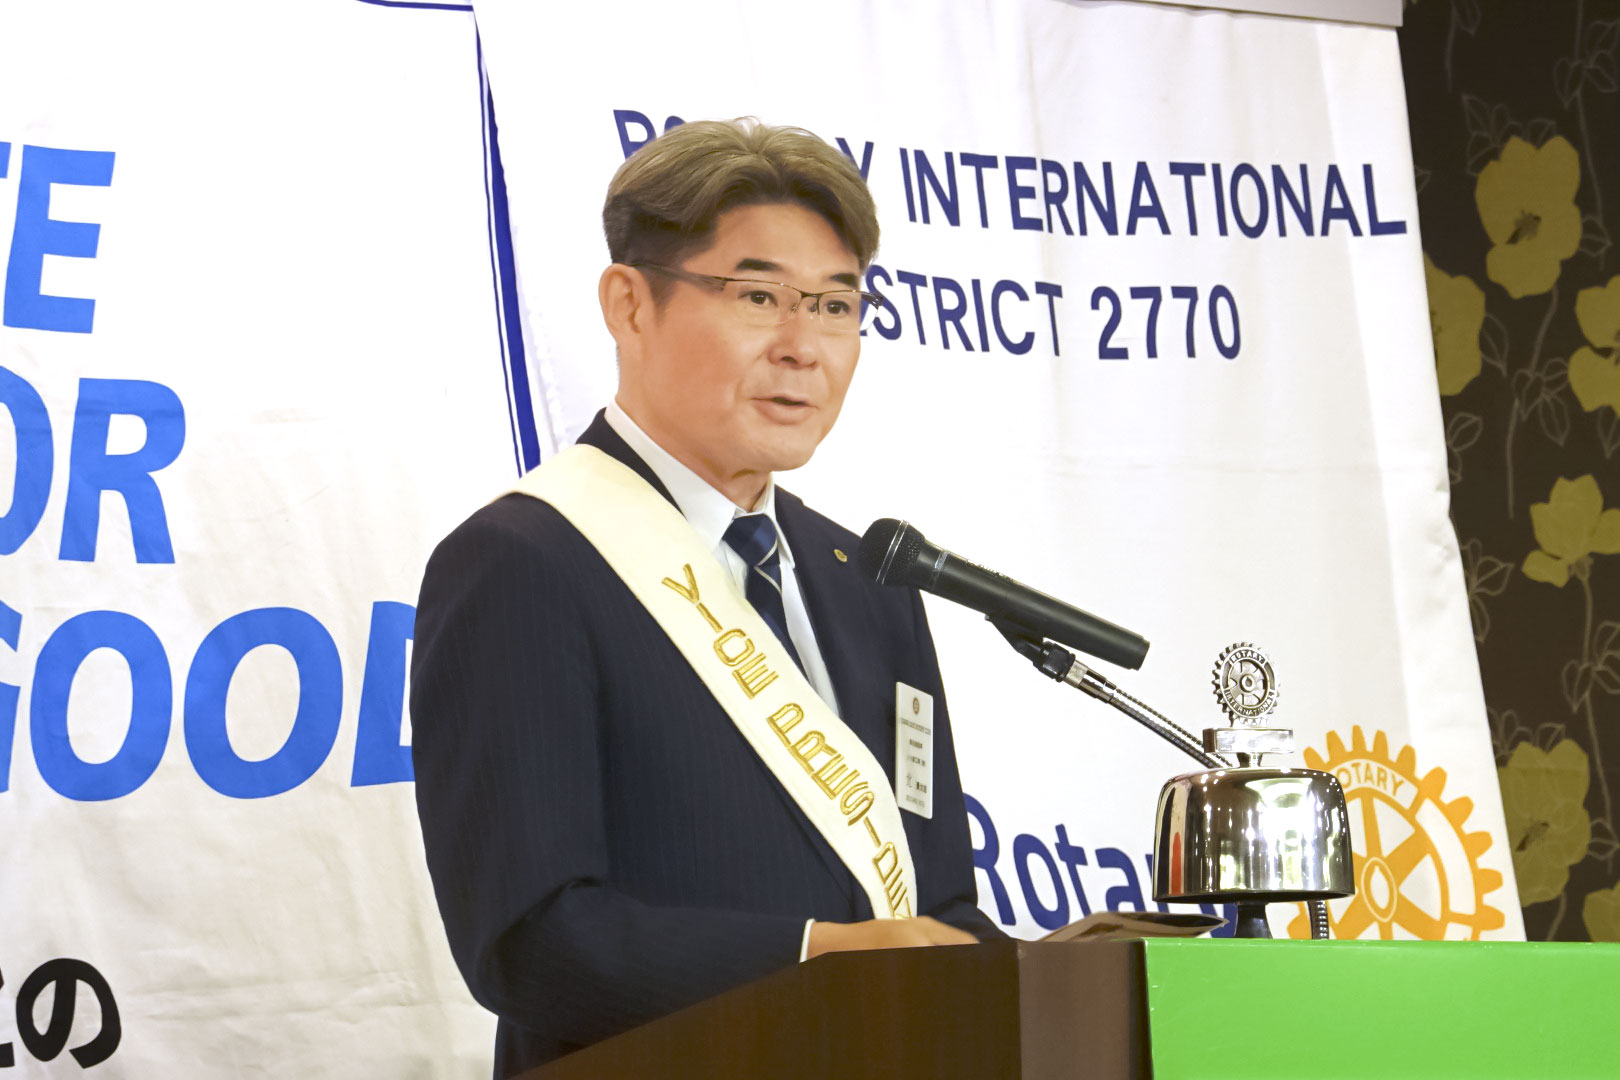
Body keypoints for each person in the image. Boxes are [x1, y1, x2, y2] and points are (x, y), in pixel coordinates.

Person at [410, 118, 1004, 1077]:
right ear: (629, 304)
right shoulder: (523, 563)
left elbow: (934, 905)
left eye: (835, 306)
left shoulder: (870, 581)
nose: (803, 347)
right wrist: (817, 958)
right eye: (758, 296)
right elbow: (527, 939)